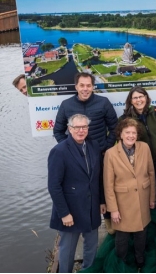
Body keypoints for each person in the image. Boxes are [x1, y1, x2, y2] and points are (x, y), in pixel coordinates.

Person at [53, 72, 118, 234]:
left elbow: (115, 128)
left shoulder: (103, 102)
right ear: (76, 87)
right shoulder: (66, 105)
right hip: (77, 159)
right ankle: (81, 221)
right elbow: (58, 131)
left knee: (105, 185)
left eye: (88, 85)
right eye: (82, 85)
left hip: (100, 155)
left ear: (93, 87)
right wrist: (69, 151)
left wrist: (106, 148)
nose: (85, 89)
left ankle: (109, 222)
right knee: (81, 188)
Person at [47, 114, 105, 273]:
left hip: (92, 206)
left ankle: (88, 270)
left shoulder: (94, 145)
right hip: (71, 210)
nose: (81, 130)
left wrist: (101, 201)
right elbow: (54, 185)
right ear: (69, 129)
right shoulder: (59, 151)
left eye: (84, 127)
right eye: (77, 127)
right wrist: (64, 213)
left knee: (91, 245)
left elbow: (97, 178)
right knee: (67, 249)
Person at [103, 118, 156, 269]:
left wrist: (152, 197)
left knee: (142, 235)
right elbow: (108, 184)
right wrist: (113, 209)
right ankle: (122, 264)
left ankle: (140, 262)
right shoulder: (111, 153)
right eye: (127, 132)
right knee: (122, 238)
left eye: (134, 132)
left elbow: (151, 173)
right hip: (123, 203)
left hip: (143, 199)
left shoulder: (144, 147)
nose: (131, 136)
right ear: (120, 134)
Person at [119, 86, 156, 175]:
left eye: (141, 96)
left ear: (146, 97)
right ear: (131, 100)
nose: (138, 100)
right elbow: (121, 141)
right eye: (135, 98)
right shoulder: (125, 119)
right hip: (139, 161)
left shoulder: (155, 111)